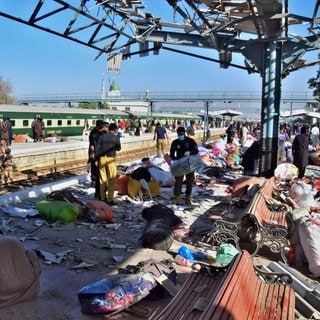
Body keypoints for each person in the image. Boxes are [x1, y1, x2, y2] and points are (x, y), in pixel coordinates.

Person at [0, 236, 41, 307]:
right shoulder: (13, 239)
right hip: (27, 283)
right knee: (31, 253)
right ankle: (24, 294)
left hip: (4, 289)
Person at [170, 126, 199, 205]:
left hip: (189, 164)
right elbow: (172, 154)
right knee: (178, 181)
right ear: (177, 134)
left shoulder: (191, 141)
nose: (180, 136)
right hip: (180, 165)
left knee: (189, 181)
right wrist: (176, 160)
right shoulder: (175, 142)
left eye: (181, 134)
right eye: (179, 134)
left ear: (184, 133)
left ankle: (187, 197)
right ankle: (176, 197)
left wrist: (190, 153)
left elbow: (196, 151)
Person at [95, 122, 121, 205]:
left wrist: (96, 159)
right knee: (111, 180)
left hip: (102, 159)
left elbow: (97, 149)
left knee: (102, 179)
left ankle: (102, 198)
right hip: (111, 160)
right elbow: (118, 148)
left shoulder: (101, 137)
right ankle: (110, 199)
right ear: (115, 130)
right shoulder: (116, 137)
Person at [88, 120, 107, 199]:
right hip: (97, 155)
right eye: (102, 127)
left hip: (99, 154)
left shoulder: (101, 132)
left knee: (99, 174)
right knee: (98, 173)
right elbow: (93, 145)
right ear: (99, 127)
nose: (104, 128)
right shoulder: (94, 133)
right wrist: (95, 157)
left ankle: (99, 192)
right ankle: (99, 193)